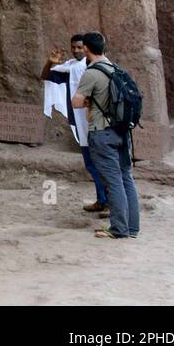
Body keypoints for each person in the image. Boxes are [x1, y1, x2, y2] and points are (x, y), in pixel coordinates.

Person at [72, 31, 140, 240]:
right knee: (126, 177)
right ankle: (132, 227)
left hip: (102, 132)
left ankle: (119, 229)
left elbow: (76, 102)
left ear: (86, 50)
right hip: (121, 131)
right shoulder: (115, 68)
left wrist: (88, 102)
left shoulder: (91, 73)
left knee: (113, 181)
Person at [40, 34, 108, 214]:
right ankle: (102, 200)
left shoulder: (92, 67)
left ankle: (109, 202)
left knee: (100, 164)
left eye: (80, 47)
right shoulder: (70, 68)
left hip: (96, 123)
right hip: (81, 123)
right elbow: (45, 76)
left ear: (87, 48)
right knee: (91, 164)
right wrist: (50, 62)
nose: (77, 51)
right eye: (74, 48)